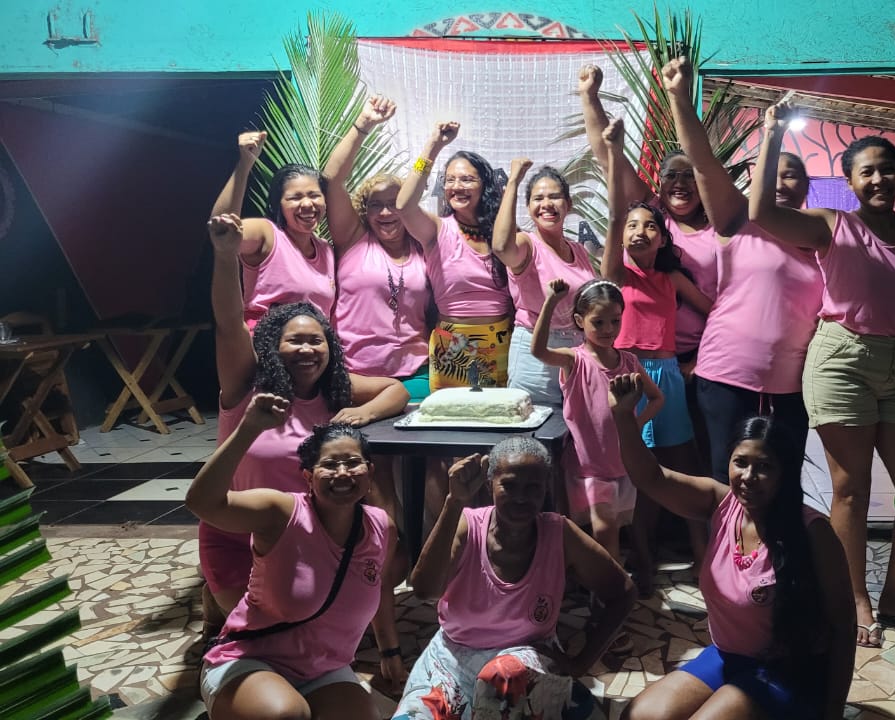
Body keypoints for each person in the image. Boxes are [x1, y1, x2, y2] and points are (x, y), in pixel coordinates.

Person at [747, 101, 895, 649]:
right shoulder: (833, 226)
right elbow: (762, 213)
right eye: (866, 171)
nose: (879, 179)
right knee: (851, 490)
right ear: (850, 182)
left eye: (887, 169)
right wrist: (771, 135)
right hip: (841, 363)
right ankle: (856, 601)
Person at [202, 215, 409, 666]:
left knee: (318, 626)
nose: (307, 350)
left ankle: (215, 608)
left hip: (306, 537)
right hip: (237, 533)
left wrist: (363, 413)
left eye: (317, 341)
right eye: (294, 341)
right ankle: (218, 620)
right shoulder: (247, 384)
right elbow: (228, 323)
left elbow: (396, 390)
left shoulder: (333, 390)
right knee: (269, 641)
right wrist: (225, 257)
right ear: (271, 345)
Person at [609, 374, 854, 720]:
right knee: (640, 715)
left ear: (785, 473)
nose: (748, 476)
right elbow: (651, 478)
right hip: (727, 657)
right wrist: (623, 416)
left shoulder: (813, 531)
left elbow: (843, 626)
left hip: (790, 670)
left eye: (764, 467)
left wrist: (833, 711)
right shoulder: (719, 503)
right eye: (741, 462)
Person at [660, 56, 824, 482]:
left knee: (783, 483)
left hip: (792, 386)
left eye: (793, 176)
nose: (782, 183)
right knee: (726, 480)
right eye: (775, 174)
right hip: (726, 379)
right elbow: (702, 161)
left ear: (807, 187)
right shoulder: (738, 220)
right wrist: (679, 97)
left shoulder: (823, 240)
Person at [393, 438, 637, 720]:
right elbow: (425, 590)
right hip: (453, 658)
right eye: (509, 485)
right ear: (490, 485)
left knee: (504, 679)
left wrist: (581, 663)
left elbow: (623, 592)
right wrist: (454, 502)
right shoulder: (467, 527)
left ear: (546, 487)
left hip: (523, 659)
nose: (521, 497)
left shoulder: (559, 535)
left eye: (532, 487)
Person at [187, 397, 392, 720]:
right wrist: (247, 429)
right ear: (308, 477)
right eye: (329, 465)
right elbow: (202, 503)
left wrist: (390, 651)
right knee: (285, 714)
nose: (342, 473)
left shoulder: (381, 526)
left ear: (370, 472)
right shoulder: (281, 513)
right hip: (250, 659)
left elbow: (379, 589)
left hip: (324, 669)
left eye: (353, 463)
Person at [580, 63, 724, 470]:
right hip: (637, 361)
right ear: (658, 184)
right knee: (635, 454)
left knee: (693, 453)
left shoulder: (720, 223)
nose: (681, 183)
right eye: (671, 175)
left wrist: (700, 360)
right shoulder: (650, 215)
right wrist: (590, 97)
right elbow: (608, 158)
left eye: (690, 176)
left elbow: (721, 307)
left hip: (698, 359)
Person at [601, 117, 712, 593]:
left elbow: (717, 313)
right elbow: (613, 222)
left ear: (664, 238)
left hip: (668, 375)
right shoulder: (619, 275)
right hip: (629, 378)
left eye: (650, 225)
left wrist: (693, 363)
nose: (640, 231)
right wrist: (614, 152)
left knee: (685, 469)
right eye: (633, 225)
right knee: (640, 476)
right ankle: (642, 561)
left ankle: (705, 559)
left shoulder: (671, 278)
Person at [531, 278, 662, 567]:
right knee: (604, 530)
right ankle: (609, 587)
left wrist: (637, 424)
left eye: (615, 321)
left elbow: (657, 398)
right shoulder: (574, 361)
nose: (608, 329)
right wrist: (551, 302)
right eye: (598, 322)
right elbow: (538, 351)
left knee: (620, 527)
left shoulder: (629, 362)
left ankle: (616, 580)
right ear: (580, 321)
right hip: (589, 468)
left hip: (623, 466)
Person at [323, 95, 433, 402]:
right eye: (376, 205)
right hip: (356, 374)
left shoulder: (422, 244)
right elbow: (332, 179)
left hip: (416, 373)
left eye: (394, 204)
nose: (385, 213)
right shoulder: (353, 239)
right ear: (365, 210)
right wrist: (364, 124)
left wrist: (430, 150)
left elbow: (419, 180)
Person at [395, 126, 515, 392]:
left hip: (501, 345)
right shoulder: (437, 230)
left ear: (484, 185)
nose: (456, 187)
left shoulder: (503, 234)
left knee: (499, 415)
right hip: (452, 349)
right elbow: (404, 205)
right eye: (450, 180)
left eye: (467, 180)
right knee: (450, 417)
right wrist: (433, 146)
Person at [494, 158, 598, 405]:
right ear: (528, 206)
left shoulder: (579, 250)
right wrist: (513, 181)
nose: (546, 204)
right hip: (535, 353)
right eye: (538, 198)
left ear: (568, 204)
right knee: (537, 424)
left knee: (575, 424)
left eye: (555, 197)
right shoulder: (526, 244)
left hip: (575, 351)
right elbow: (501, 247)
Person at [211, 131, 335, 327]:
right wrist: (245, 164)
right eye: (295, 198)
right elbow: (222, 226)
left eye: (314, 195)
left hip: (311, 345)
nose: (307, 204)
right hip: (266, 344)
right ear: (279, 205)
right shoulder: (267, 234)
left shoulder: (326, 250)